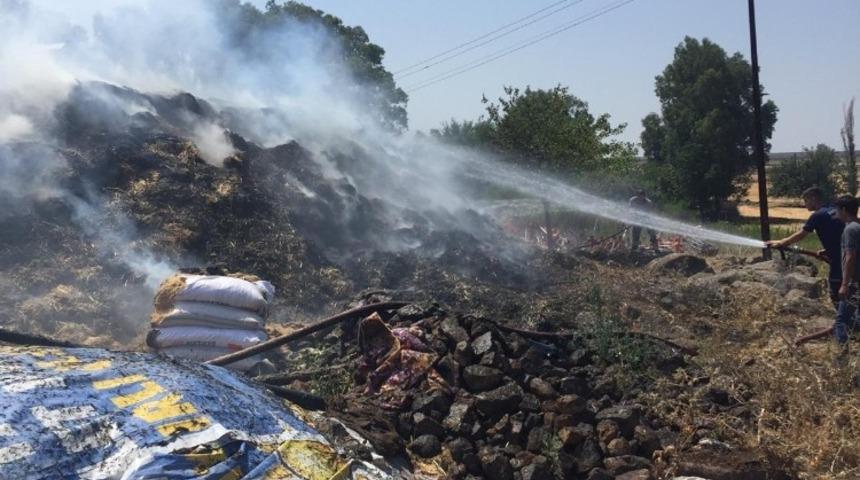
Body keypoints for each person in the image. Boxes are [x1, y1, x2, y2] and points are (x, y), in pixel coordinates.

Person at [794, 196, 860, 348]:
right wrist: (828, 250)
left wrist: (844, 284)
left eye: (837, 210)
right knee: (849, 318)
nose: (835, 214)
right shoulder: (857, 226)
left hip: (853, 283)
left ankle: (841, 358)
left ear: (844, 210)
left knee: (841, 321)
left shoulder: (849, 229)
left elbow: (850, 257)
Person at [766, 187, 845, 305]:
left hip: (839, 260)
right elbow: (839, 233)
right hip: (849, 254)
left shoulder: (817, 215)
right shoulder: (834, 210)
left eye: (806, 200)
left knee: (837, 294)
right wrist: (827, 250)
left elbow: (802, 234)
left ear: (813, 198)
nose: (805, 204)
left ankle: (846, 321)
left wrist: (783, 243)